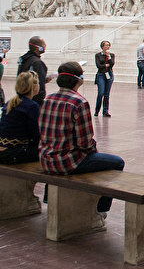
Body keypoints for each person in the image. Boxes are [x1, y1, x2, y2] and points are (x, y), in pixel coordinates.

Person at [39, 61, 125, 214]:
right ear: (79, 79)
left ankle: (49, 196)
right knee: (117, 163)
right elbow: (85, 142)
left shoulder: (48, 99)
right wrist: (93, 151)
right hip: (67, 162)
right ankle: (100, 210)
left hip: (46, 158)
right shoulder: (78, 102)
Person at [0, 71, 40, 164]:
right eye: (38, 83)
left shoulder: (10, 102)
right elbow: (35, 134)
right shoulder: (32, 106)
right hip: (16, 152)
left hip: (4, 148)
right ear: (33, 87)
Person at [18, 36, 50, 106]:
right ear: (38, 47)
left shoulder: (24, 59)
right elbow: (40, 86)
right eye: (43, 45)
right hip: (34, 100)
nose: (45, 46)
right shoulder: (37, 62)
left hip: (22, 96)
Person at [93, 40, 115, 117]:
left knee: (107, 94)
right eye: (106, 45)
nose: (107, 47)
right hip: (101, 74)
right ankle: (97, 110)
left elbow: (111, 64)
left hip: (109, 74)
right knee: (101, 93)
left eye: (108, 45)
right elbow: (98, 65)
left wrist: (109, 57)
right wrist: (106, 65)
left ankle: (105, 111)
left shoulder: (111, 55)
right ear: (102, 46)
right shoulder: (98, 55)